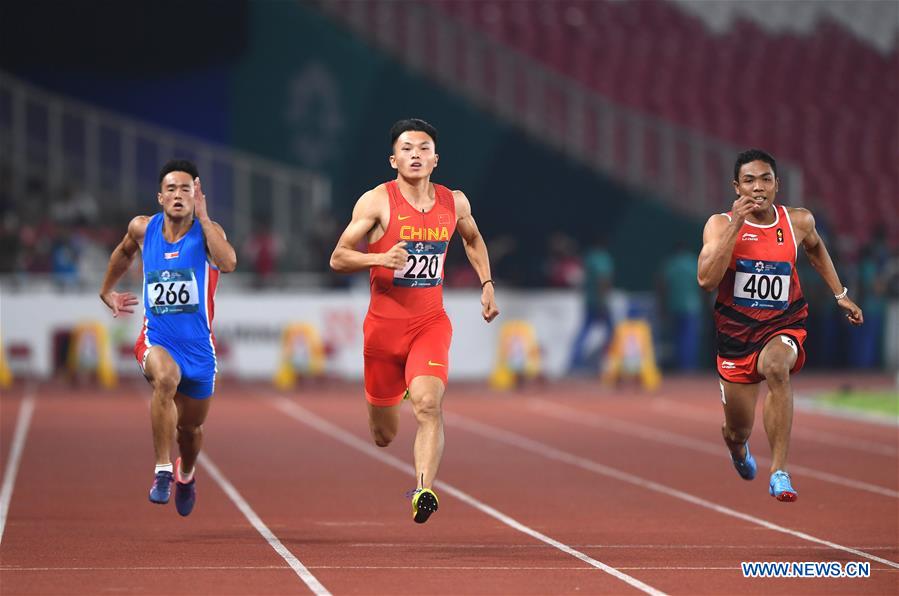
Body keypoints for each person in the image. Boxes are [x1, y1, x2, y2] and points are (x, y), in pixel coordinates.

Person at [330, 118, 499, 523]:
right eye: (407, 149)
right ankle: (398, 390)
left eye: (423, 148)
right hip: (384, 331)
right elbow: (338, 256)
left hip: (429, 323)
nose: (416, 155)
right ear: (394, 159)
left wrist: (487, 282)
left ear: (436, 159)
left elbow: (472, 238)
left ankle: (423, 489)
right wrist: (378, 258)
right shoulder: (375, 202)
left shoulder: (453, 202)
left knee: (428, 405)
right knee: (383, 436)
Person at [697, 149, 863, 502]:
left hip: (783, 323)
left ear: (777, 185)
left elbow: (816, 249)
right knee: (736, 429)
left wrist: (840, 294)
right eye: (749, 181)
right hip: (736, 336)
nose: (758, 188)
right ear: (736, 187)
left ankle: (780, 472)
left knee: (777, 367)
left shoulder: (798, 221)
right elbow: (707, 281)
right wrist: (737, 226)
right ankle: (739, 450)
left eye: (766, 179)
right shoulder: (719, 224)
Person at [99, 159, 237, 516]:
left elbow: (230, 263)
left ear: (197, 195)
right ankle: (162, 471)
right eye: (171, 189)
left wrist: (205, 220)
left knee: (190, 431)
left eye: (186, 189)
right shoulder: (143, 228)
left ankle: (186, 473)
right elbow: (124, 252)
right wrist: (107, 290)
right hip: (157, 339)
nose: (178, 195)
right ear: (160, 197)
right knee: (165, 380)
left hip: (199, 350)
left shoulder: (208, 232)